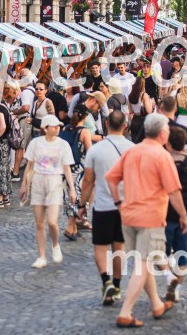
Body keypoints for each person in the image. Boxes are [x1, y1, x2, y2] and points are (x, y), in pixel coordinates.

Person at [105, 114, 187, 327]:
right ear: (162, 133)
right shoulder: (162, 156)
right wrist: (183, 215)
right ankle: (125, 312)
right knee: (143, 265)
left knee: (145, 261)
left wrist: (118, 203)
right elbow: (174, 191)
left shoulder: (132, 151)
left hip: (129, 215)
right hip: (150, 217)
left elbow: (111, 178)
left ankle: (156, 305)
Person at [78, 111, 134, 305]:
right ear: (125, 125)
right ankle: (117, 286)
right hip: (126, 205)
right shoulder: (133, 149)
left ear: (107, 124)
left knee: (100, 247)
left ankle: (106, 281)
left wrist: (81, 204)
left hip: (102, 205)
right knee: (119, 246)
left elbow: (87, 181)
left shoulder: (96, 149)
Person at [19, 115, 77, 268]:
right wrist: (24, 185)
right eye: (53, 126)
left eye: (58, 126)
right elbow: (29, 166)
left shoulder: (63, 145)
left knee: (52, 222)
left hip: (54, 182)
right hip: (38, 181)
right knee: (39, 223)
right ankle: (42, 256)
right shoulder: (35, 143)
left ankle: (55, 244)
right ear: (45, 128)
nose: (57, 128)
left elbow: (67, 169)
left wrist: (72, 190)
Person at [162, 125, 187, 305]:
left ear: (168, 143)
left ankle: (168, 277)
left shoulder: (163, 163)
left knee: (160, 254)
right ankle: (176, 287)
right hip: (184, 216)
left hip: (163, 215)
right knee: (182, 256)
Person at [61, 107, 93, 241]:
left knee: (70, 196)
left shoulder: (66, 128)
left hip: (67, 167)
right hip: (80, 169)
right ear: (85, 117)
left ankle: (73, 228)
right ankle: (69, 227)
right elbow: (90, 152)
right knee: (78, 197)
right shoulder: (84, 132)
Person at [12, 72, 37, 181]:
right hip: (28, 120)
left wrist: (16, 111)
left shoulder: (26, 92)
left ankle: (16, 173)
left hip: (24, 119)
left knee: (20, 147)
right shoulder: (32, 91)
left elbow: (26, 107)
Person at [128, 76, 155, 142]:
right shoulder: (144, 95)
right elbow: (149, 111)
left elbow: (131, 111)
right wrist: (151, 103)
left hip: (134, 120)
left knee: (134, 142)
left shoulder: (130, 95)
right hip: (143, 121)